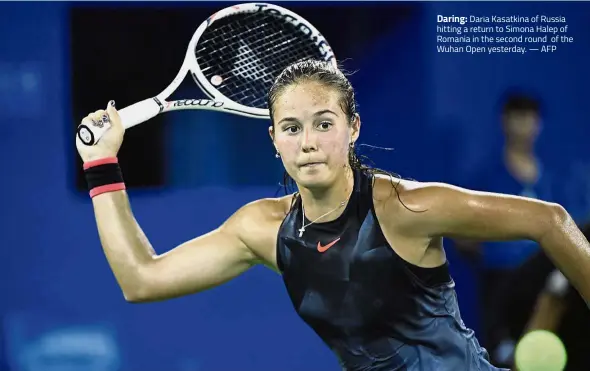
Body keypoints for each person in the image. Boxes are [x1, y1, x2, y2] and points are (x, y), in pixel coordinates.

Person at [76, 60, 590, 371]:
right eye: (292, 128)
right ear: (274, 140)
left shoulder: (403, 207)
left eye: (324, 123)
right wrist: (101, 164)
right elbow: (140, 278)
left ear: (353, 128)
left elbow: (548, 219)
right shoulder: (263, 229)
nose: (309, 143)